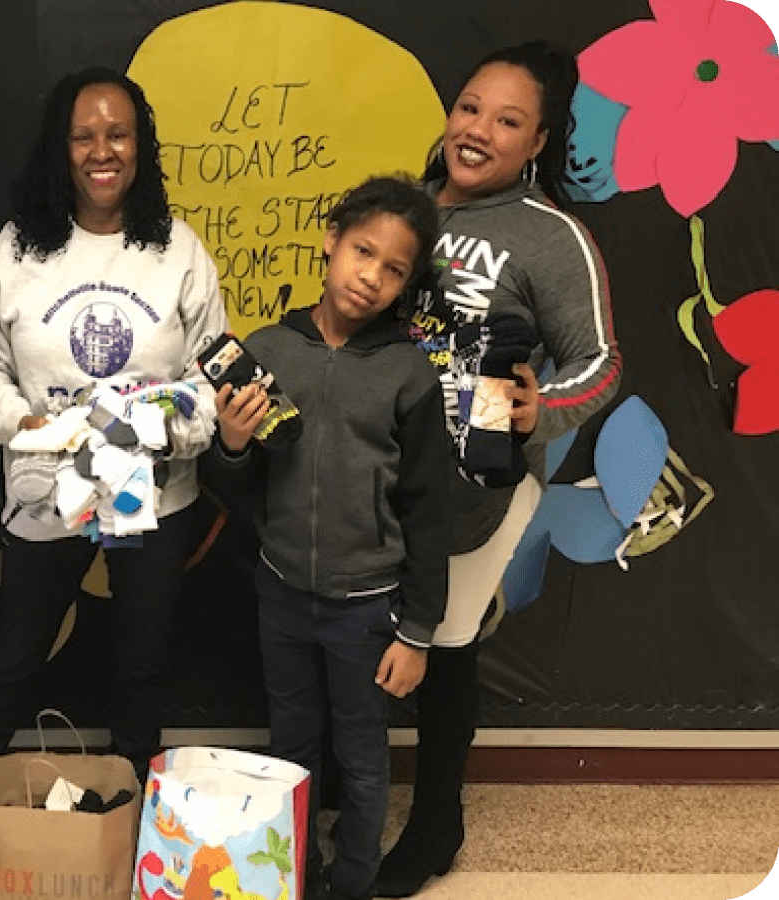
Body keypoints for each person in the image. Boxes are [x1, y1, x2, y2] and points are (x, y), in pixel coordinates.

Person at [0, 65, 227, 869]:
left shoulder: (177, 249)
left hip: (154, 502)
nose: (103, 151)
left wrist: (166, 431)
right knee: (13, 656)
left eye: (118, 133)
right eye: (85, 135)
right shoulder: (19, 247)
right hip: (48, 495)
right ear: (61, 149)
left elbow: (213, 377)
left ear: (140, 144)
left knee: (142, 661)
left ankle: (133, 830)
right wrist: (24, 422)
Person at [376, 41, 622, 897]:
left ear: (538, 140)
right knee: (357, 632)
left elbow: (598, 361)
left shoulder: (549, 237)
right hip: (376, 470)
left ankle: (437, 822)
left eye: (507, 121)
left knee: (442, 644)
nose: (478, 131)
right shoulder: (400, 210)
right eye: (471, 107)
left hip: (476, 484)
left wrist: (539, 410)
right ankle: (347, 796)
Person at [206, 175, 451, 900]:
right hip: (280, 595)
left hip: (368, 610)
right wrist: (231, 443)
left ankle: (351, 887)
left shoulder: (408, 373)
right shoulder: (270, 349)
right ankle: (293, 880)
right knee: (291, 751)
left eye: (394, 268)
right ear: (331, 243)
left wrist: (418, 633)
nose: (371, 276)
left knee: (365, 759)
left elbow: (428, 510)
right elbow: (238, 487)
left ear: (406, 282)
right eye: (362, 251)